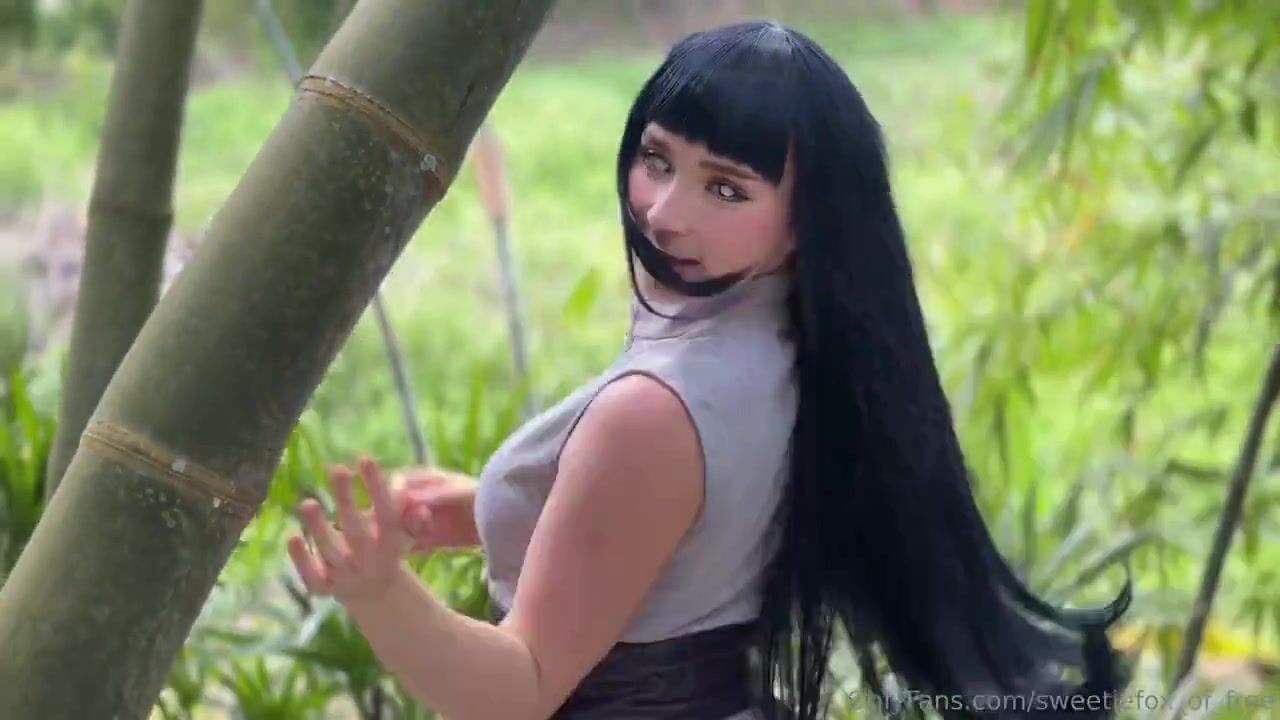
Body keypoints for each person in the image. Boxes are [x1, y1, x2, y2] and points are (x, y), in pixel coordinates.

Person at [287, 19, 1133, 720]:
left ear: (805, 220)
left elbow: (520, 690)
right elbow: (690, 529)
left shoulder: (656, 413)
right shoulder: (804, 348)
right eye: (657, 159)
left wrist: (379, 593)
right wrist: (499, 506)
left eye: (726, 190)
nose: (663, 212)